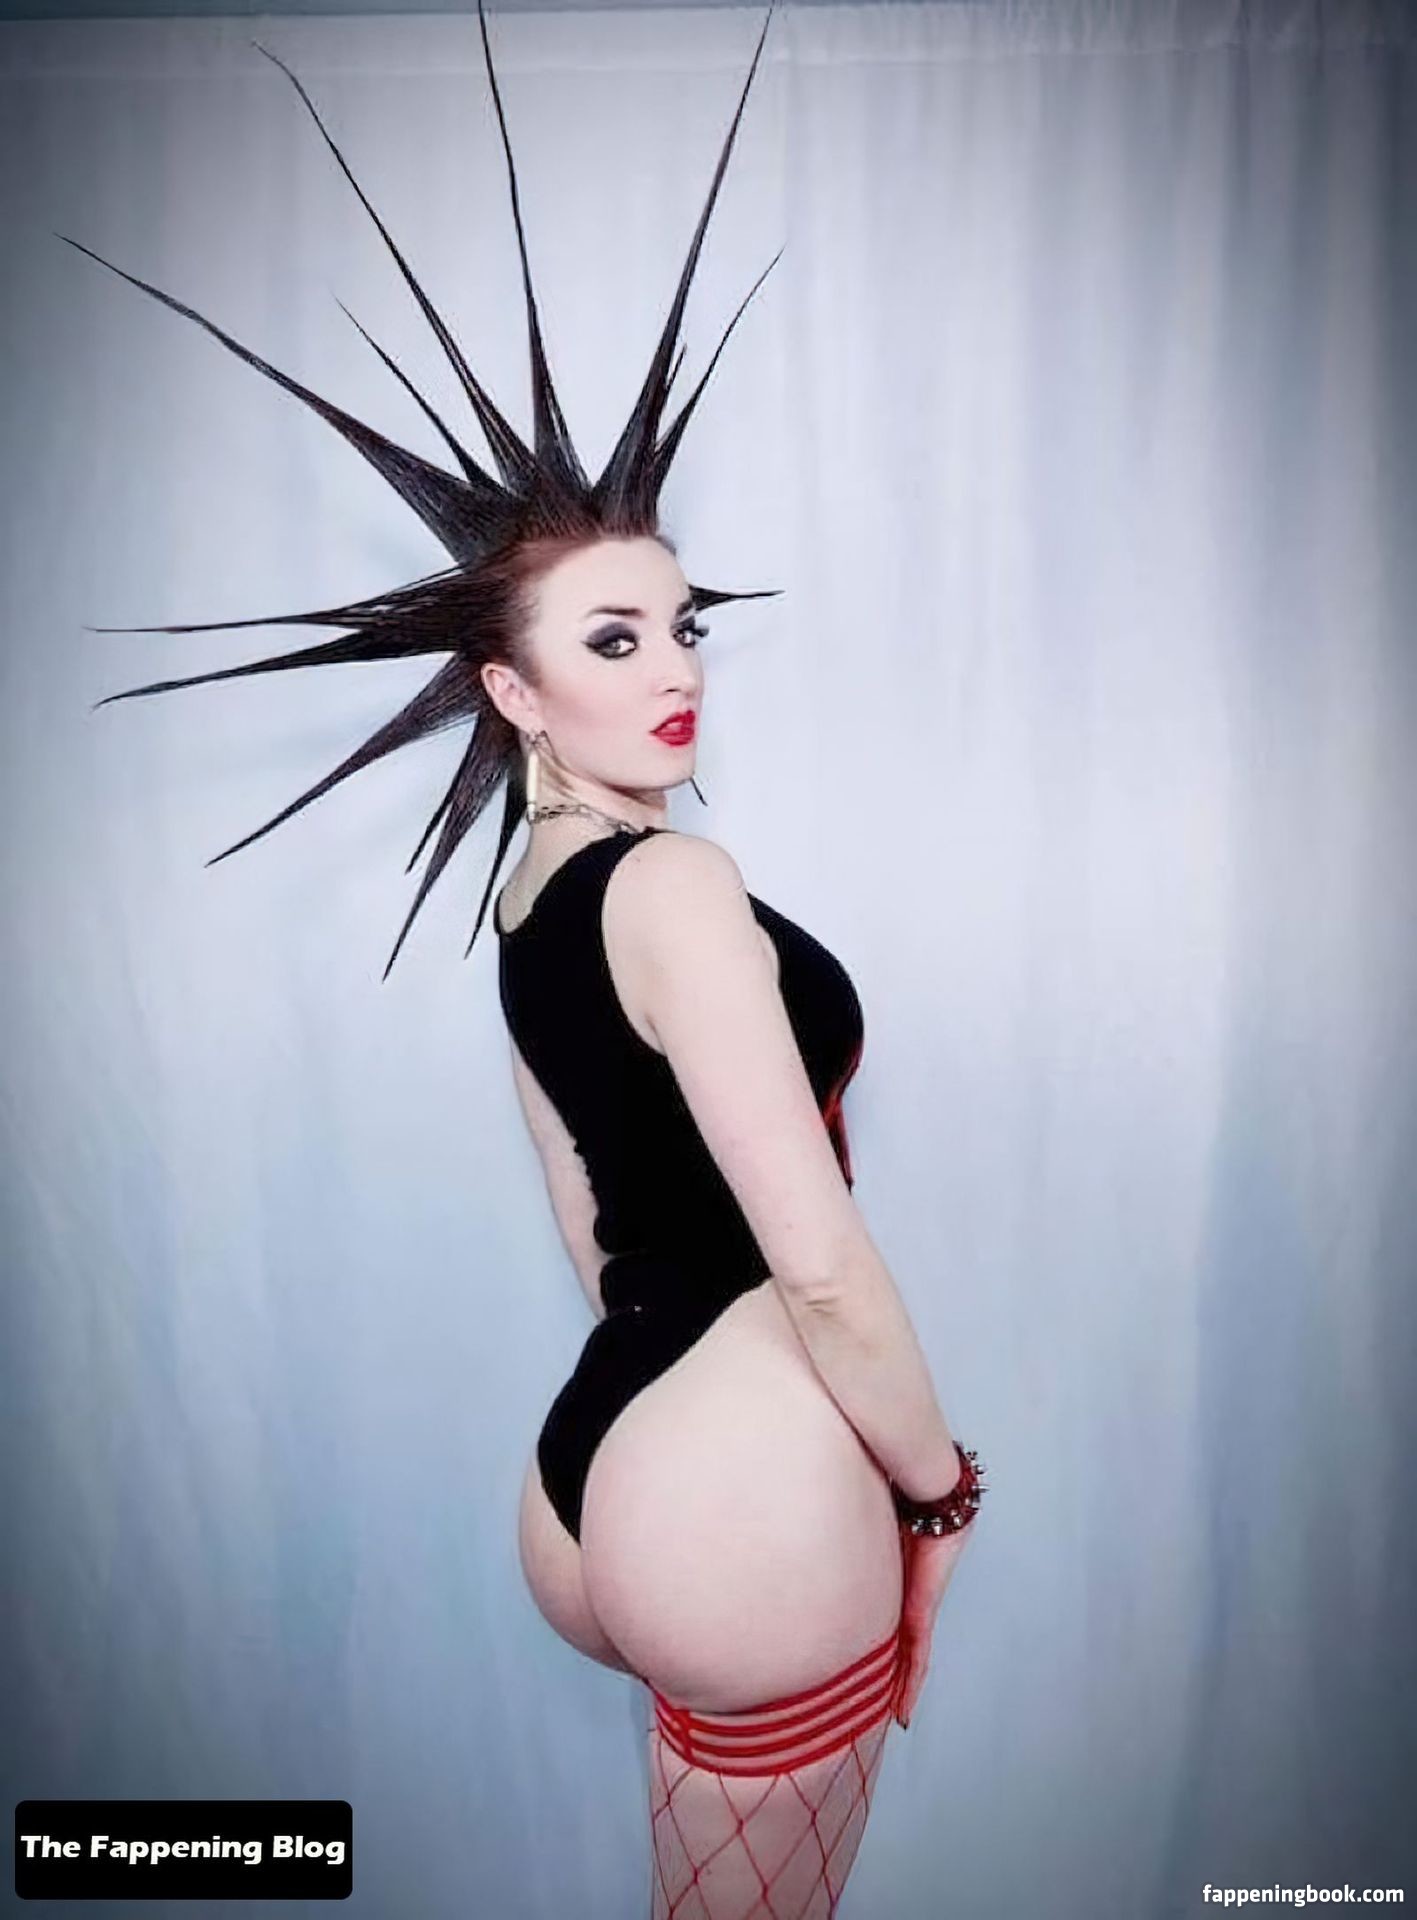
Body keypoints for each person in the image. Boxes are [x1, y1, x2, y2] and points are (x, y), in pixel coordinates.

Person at [73, 4, 986, 1912]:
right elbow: (817, 1258)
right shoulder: (676, 888)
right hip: (740, 1484)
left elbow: (595, 1227)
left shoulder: (526, 898)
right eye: (612, 642)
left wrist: (657, 1462)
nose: (673, 671)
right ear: (510, 692)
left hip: (600, 1461)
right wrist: (933, 1488)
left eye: (682, 624)